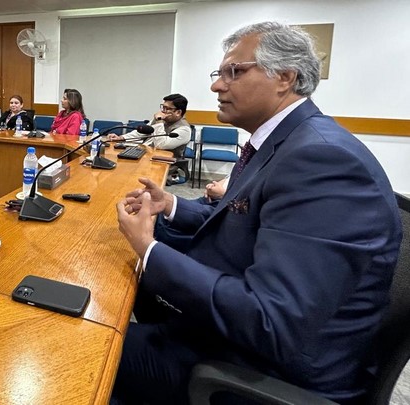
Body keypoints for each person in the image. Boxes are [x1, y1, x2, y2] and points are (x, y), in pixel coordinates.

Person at [112, 21, 402, 404]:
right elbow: (241, 221)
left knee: (83, 340)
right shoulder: (280, 142)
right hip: (227, 341)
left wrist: (148, 249)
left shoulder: (322, 160)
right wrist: (170, 205)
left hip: (257, 371)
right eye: (219, 73)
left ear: (284, 77)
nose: (217, 85)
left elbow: (271, 319)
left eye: (234, 71)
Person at [108, 93, 192, 184]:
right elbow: (141, 132)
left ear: (178, 112)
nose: (163, 111)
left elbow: (161, 145)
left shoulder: (184, 129)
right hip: (145, 155)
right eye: (163, 107)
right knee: (117, 164)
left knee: (128, 175)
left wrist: (159, 122)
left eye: (167, 109)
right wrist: (121, 137)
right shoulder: (162, 119)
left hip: (162, 164)